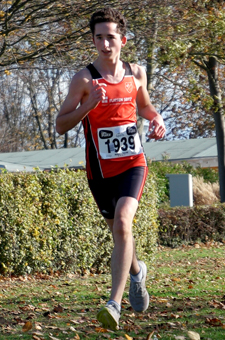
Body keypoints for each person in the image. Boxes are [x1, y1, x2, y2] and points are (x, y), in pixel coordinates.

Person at [56, 7, 166, 331]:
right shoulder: (84, 79)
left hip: (133, 163)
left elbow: (144, 105)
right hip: (100, 171)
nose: (105, 44)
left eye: (111, 37)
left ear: (123, 40)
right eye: (99, 38)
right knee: (120, 233)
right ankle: (136, 272)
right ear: (93, 40)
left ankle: (113, 304)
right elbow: (61, 124)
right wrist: (88, 105)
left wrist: (157, 119)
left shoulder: (137, 74)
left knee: (121, 224)